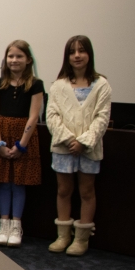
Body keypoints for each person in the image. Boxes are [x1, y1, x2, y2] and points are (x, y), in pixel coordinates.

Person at [46, 35, 111, 256]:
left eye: (81, 51)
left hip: (89, 148)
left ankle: (81, 239)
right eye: (72, 52)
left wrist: (83, 142)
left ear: (89, 54)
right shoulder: (58, 85)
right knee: (64, 190)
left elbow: (102, 118)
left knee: (86, 191)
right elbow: (52, 116)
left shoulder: (101, 84)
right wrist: (69, 140)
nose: (77, 55)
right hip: (64, 148)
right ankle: (63, 235)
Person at [0, 40, 43, 247]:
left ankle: (16, 225)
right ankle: (4, 224)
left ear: (28, 59)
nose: (14, 60)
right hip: (2, 135)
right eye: (10, 56)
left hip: (24, 137)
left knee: (18, 183)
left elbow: (33, 117)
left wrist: (21, 145)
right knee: (4, 182)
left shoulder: (36, 84)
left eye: (19, 56)